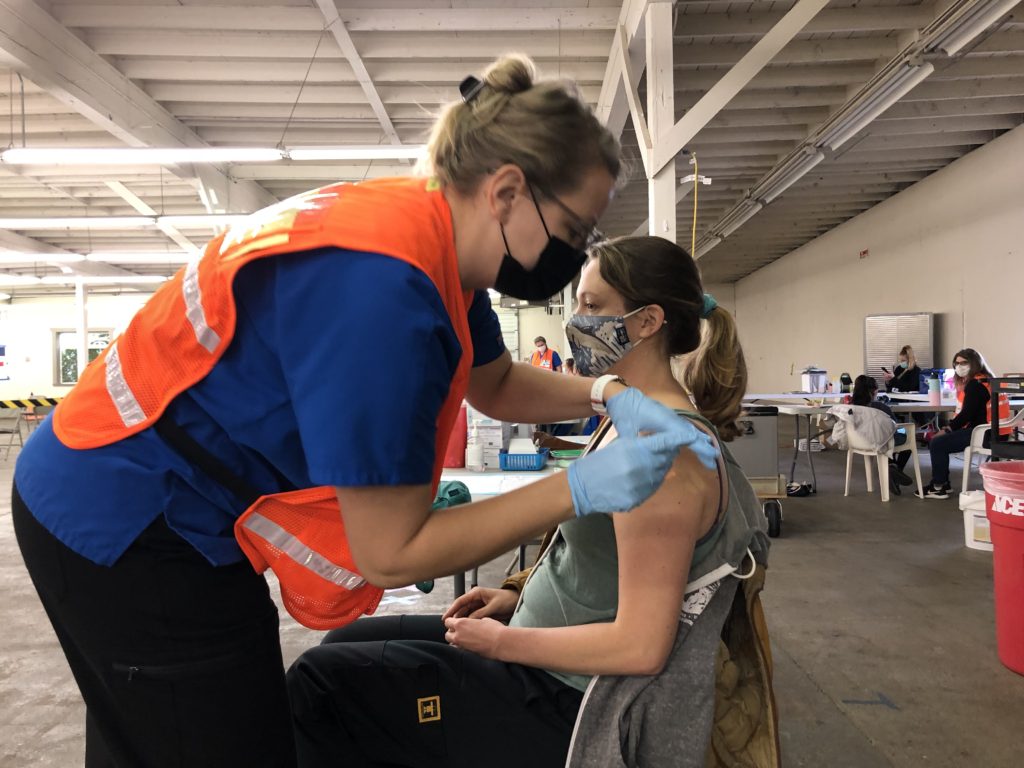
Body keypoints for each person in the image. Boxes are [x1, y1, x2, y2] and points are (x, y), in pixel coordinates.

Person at [11, 56, 717, 768]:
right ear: (507, 191)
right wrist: (579, 488)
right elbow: (391, 551)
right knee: (214, 737)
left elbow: (494, 381)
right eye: (575, 229)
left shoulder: (437, 247)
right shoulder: (383, 293)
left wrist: (607, 394)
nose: (575, 255)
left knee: (162, 731)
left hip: (168, 500)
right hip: (123, 516)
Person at [287, 236, 769, 768]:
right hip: (536, 641)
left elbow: (641, 644)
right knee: (344, 641)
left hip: (566, 697)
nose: (575, 320)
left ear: (648, 321)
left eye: (592, 306)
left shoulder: (661, 455)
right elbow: (601, 570)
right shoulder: (627, 415)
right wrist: (519, 600)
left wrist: (500, 644)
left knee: (320, 687)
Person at [918, 348, 1009, 499]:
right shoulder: (988, 380)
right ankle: (943, 484)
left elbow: (966, 415)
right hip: (1000, 434)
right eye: (956, 363)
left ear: (974, 363)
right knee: (941, 441)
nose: (959, 366)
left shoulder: (976, 385)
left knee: (937, 442)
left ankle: (938, 486)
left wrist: (947, 429)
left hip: (985, 435)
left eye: (964, 363)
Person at [851, 374, 913, 495]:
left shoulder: (851, 407)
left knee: (887, 440)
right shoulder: (880, 407)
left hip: (860, 442)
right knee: (906, 441)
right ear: (874, 391)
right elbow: (893, 426)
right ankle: (894, 470)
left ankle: (892, 470)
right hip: (882, 441)